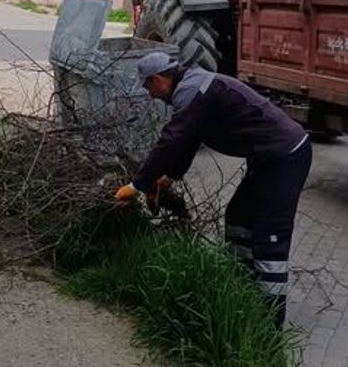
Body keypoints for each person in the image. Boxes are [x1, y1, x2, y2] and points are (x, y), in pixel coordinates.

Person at [115, 52, 312, 327]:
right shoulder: (193, 87)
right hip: (267, 157)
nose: (151, 95)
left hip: (285, 156)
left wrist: (138, 184)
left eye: (148, 87)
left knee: (270, 237)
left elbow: (172, 141)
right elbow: (188, 141)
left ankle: (269, 325)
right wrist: (168, 178)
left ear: (158, 79)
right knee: (238, 217)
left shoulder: (191, 90)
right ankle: (243, 289)